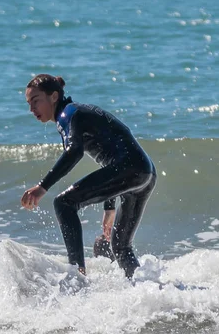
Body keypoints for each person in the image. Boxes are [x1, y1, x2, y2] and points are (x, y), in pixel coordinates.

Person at [20, 74, 156, 279]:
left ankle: (77, 274)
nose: (32, 109)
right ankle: (146, 290)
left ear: (54, 96)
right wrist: (110, 209)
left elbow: (74, 152)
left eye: (36, 101)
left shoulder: (68, 114)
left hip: (130, 169)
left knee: (64, 203)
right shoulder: (76, 111)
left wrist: (42, 186)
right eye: (29, 103)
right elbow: (111, 160)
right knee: (120, 246)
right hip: (145, 172)